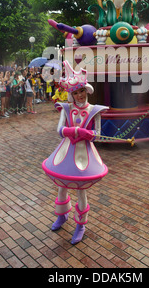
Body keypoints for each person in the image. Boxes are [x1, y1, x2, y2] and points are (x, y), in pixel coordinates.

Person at [42, 61, 109, 245]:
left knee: (80, 190)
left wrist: (89, 134)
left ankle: (80, 225)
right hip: (66, 151)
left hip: (83, 155)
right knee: (62, 186)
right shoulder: (66, 108)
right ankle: (62, 216)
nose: (79, 96)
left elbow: (98, 134)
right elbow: (59, 129)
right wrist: (73, 132)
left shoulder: (94, 110)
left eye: (81, 91)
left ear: (86, 90)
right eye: (75, 93)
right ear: (71, 94)